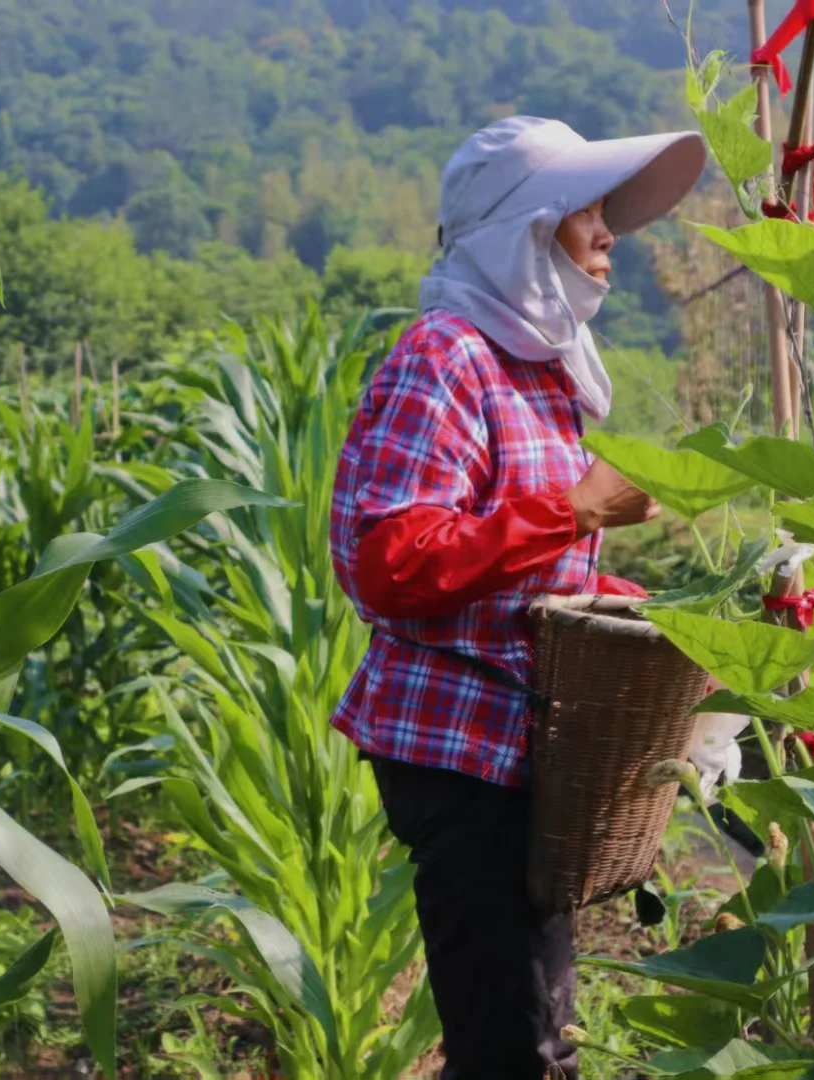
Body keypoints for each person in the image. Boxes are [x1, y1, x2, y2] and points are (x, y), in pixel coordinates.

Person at [328, 116, 706, 1079]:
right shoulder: (447, 358)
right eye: (585, 214)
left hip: (520, 739)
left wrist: (640, 602)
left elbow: (520, 573)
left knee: (535, 1028)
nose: (609, 235)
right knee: (515, 1044)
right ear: (526, 233)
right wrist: (577, 507)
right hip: (459, 744)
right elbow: (395, 563)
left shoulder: (533, 370)